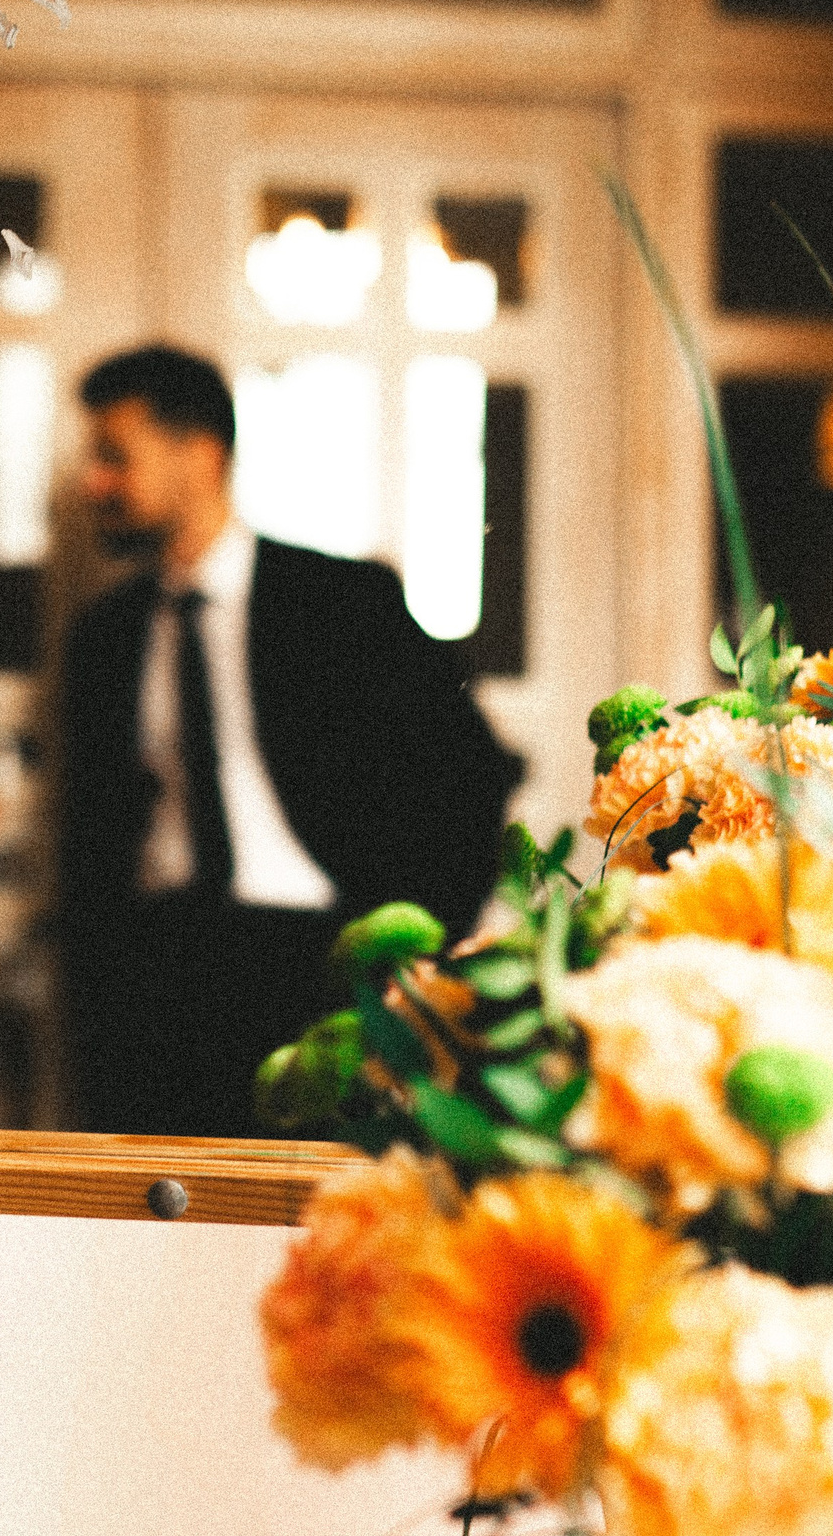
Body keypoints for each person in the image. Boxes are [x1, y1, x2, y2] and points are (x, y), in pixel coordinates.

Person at [55, 345, 524, 1134]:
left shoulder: (345, 603)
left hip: (313, 962)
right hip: (158, 982)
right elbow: (91, 850)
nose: (92, 483)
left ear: (201, 453)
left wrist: (415, 955)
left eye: (114, 456)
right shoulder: (104, 636)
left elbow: (470, 776)